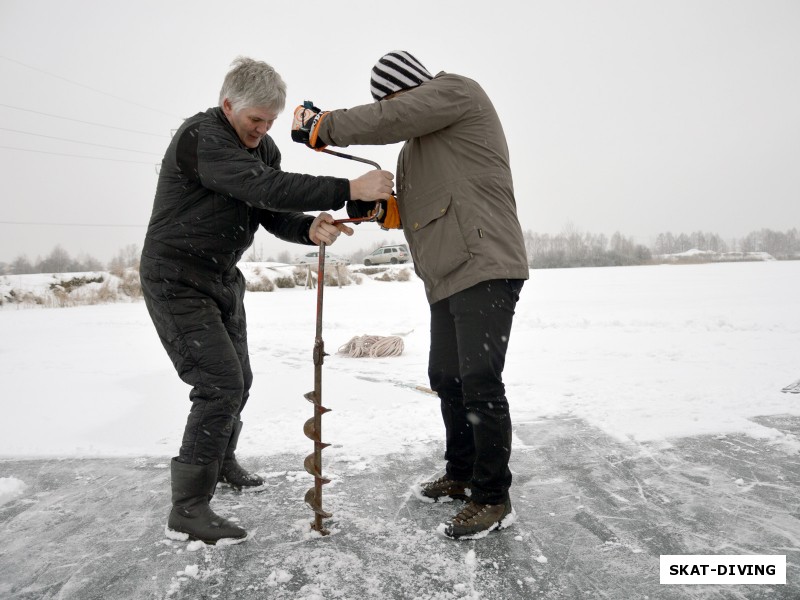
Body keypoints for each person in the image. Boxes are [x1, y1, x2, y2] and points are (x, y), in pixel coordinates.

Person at [140, 57, 393, 545]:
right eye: (255, 119)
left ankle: (220, 461)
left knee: (240, 378)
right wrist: (347, 189)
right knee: (218, 381)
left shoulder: (264, 147)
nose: (262, 129)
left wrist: (307, 226)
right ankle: (188, 507)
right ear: (227, 104)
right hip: (175, 278)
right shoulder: (202, 138)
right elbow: (258, 185)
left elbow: (268, 206)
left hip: (220, 277)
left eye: (270, 121)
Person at [292, 51, 529, 539]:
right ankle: (462, 475)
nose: (395, 109)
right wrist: (375, 209)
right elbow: (411, 211)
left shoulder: (457, 92)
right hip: (445, 274)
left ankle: (493, 497)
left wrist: (324, 125)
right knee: (447, 375)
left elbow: (389, 118)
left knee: (480, 379)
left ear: (407, 91)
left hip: (484, 261)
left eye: (394, 100)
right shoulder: (415, 150)